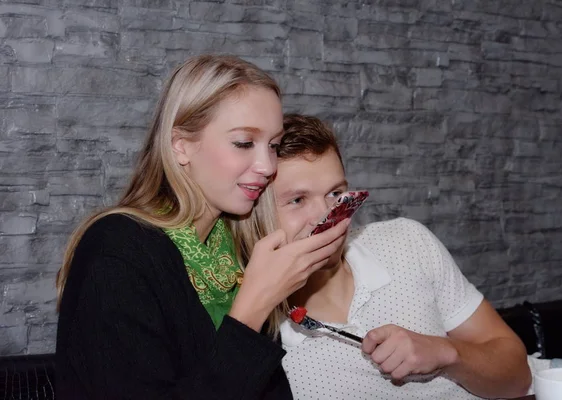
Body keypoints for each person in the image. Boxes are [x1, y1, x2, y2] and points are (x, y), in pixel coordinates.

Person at [54, 56, 350, 400]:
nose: (267, 165)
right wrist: (253, 306)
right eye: (243, 143)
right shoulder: (118, 250)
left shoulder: (236, 242)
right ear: (181, 145)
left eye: (272, 145)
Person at [270, 114, 532, 399]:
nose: (327, 216)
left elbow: (517, 377)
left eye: (336, 193)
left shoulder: (407, 243)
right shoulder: (252, 324)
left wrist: (448, 353)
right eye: (297, 200)